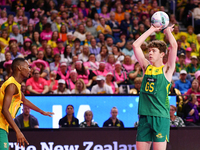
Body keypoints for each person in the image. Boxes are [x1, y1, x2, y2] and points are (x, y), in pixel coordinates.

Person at [132, 24, 177, 150]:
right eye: (149, 50)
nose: (150, 53)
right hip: (144, 116)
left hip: (160, 116)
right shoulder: (146, 67)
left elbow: (173, 46)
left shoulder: (167, 69)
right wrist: (151, 29)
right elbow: (136, 45)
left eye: (153, 51)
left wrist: (168, 32)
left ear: (162, 54)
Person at [0, 58, 53, 149]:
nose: (30, 70)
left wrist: (42, 112)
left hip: (3, 126)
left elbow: (24, 100)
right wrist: (18, 131)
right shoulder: (12, 85)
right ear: (19, 68)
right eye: (27, 67)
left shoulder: (15, 85)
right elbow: (5, 110)